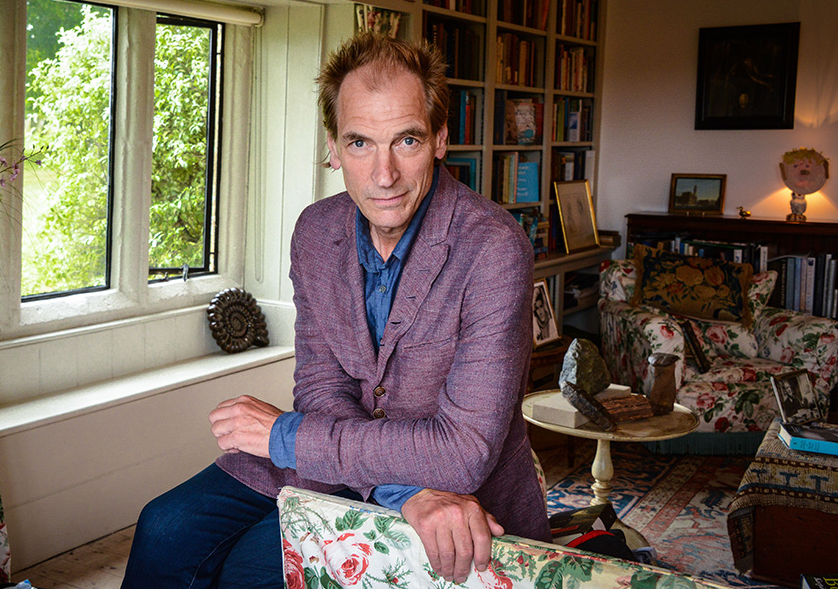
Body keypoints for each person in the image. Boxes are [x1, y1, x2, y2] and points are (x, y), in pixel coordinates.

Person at [121, 32, 549, 589]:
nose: (383, 175)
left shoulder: (494, 248)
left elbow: (462, 453)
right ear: (332, 147)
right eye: (360, 143)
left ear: (441, 138)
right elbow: (321, 388)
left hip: (462, 495)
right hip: (374, 469)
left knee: (254, 569)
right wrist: (400, 488)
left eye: (407, 141)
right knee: (163, 527)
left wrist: (283, 436)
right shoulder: (316, 231)